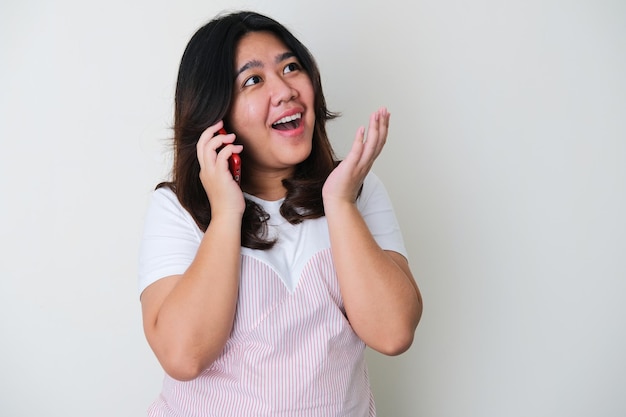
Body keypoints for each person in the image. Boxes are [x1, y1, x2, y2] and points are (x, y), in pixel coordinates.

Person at [138, 10, 422, 417]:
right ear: (216, 113)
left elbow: (393, 333)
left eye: (291, 67)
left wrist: (340, 204)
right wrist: (224, 215)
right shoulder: (178, 208)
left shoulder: (359, 191)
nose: (286, 89)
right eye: (253, 80)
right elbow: (184, 356)